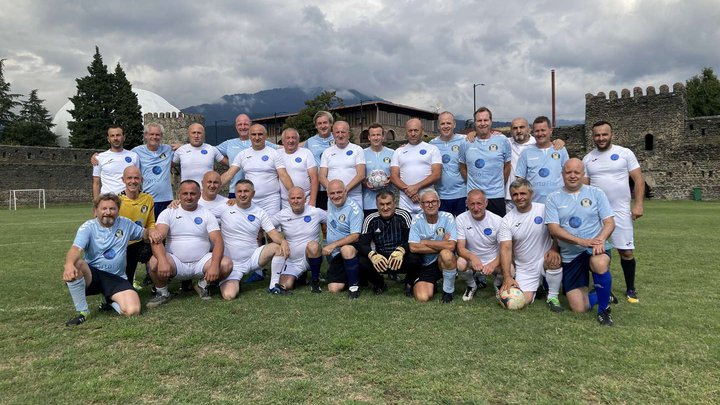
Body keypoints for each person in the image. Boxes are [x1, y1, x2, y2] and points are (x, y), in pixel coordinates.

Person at [63, 193, 157, 326]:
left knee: (133, 311)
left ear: (118, 210)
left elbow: (144, 233)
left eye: (112, 209)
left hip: (116, 278)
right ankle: (83, 312)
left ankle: (110, 300)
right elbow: (75, 249)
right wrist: (68, 265)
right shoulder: (88, 227)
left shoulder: (125, 223)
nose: (108, 212)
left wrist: (151, 232)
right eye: (104, 209)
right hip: (93, 275)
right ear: (96, 210)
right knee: (76, 263)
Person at [545, 159, 616, 326]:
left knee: (599, 262)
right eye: (568, 172)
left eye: (576, 172)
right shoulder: (553, 198)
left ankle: (604, 310)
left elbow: (610, 222)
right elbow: (554, 229)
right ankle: (603, 293)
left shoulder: (596, 193)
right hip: (570, 255)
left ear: (583, 174)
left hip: (594, 249)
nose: (572, 176)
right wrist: (581, 241)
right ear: (562, 174)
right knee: (579, 308)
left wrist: (600, 240)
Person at [583, 120, 645, 303]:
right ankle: (603, 288)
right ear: (593, 136)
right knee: (595, 250)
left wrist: (638, 204)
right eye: (597, 135)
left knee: (625, 251)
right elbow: (585, 188)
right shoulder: (588, 158)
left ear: (612, 135)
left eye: (604, 134)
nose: (601, 138)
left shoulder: (625, 153)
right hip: (595, 213)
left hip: (619, 210)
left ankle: (630, 289)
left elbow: (639, 180)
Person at [146, 180, 233, 308]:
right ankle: (162, 293)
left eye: (192, 193)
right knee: (154, 262)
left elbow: (218, 241)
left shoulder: (207, 214)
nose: (189, 197)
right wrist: (162, 260)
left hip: (201, 263)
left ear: (199, 194)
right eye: (185, 193)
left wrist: (214, 265)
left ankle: (202, 285)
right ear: (179, 195)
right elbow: (157, 238)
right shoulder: (168, 212)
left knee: (226, 264)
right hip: (175, 263)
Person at [498, 179, 564, 312]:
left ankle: (552, 297)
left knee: (554, 260)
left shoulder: (544, 209)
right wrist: (507, 278)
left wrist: (554, 248)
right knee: (520, 302)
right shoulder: (507, 220)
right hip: (525, 268)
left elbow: (557, 231)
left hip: (543, 260)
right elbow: (505, 249)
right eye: (515, 195)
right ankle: (537, 288)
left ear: (531, 193)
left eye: (523, 193)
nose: (519, 197)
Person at [218, 180, 290, 299]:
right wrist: (177, 203)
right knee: (229, 296)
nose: (242, 194)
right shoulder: (224, 207)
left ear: (253, 193)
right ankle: (230, 280)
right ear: (235, 193)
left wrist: (283, 241)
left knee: (277, 248)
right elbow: (202, 206)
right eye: (239, 191)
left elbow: (273, 233)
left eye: (246, 191)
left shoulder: (259, 212)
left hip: (252, 259)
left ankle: (274, 286)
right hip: (231, 264)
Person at [220, 124, 293, 217]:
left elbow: (283, 175)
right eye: (254, 134)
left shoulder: (274, 153)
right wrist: (211, 188)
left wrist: (293, 192)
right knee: (252, 230)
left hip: (271, 201)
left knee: (271, 229)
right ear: (249, 136)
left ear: (265, 136)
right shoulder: (242, 154)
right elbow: (229, 174)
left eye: (260, 134)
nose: (257, 137)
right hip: (250, 200)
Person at [357, 190, 420, 295]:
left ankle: (409, 283)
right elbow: (362, 244)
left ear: (394, 203)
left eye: (388, 204)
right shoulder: (370, 219)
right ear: (377, 205)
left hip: (400, 258)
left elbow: (412, 240)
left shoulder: (404, 215)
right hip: (381, 260)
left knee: (416, 258)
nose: (385, 208)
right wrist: (373, 255)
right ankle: (379, 283)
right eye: (381, 204)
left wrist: (401, 250)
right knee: (361, 260)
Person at [504, 118, 566, 211]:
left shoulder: (558, 148)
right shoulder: (506, 143)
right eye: (515, 128)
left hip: (558, 203)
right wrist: (473, 133)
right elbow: (520, 179)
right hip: (527, 203)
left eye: (522, 127)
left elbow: (567, 173)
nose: (519, 130)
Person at [458, 107, 510, 217]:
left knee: (499, 231)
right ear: (475, 123)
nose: (482, 123)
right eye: (479, 120)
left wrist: (498, 183)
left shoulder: (502, 140)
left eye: (485, 120)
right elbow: (462, 167)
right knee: (474, 232)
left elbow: (507, 166)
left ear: (491, 121)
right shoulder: (466, 143)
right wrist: (474, 180)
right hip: (474, 197)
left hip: (496, 195)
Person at [273, 186, 327, 292]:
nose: (296, 201)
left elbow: (335, 221)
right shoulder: (282, 214)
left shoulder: (316, 212)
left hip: (311, 255)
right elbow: (266, 227)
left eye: (299, 198)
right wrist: (280, 240)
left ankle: (315, 281)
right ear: (288, 200)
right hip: (293, 260)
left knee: (313, 245)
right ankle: (301, 276)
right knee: (285, 286)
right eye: (293, 198)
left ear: (305, 199)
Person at [408, 189, 458, 303]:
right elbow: (413, 247)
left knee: (446, 254)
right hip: (425, 265)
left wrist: (426, 242)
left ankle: (448, 292)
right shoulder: (416, 220)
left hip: (441, 262)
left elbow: (450, 246)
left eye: (433, 202)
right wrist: (441, 244)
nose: (430, 205)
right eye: (426, 202)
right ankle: (434, 284)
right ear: (421, 205)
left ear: (439, 203)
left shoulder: (448, 217)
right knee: (422, 298)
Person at [454, 189, 503, 302]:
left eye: (479, 203)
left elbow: (505, 249)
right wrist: (473, 257)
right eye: (472, 204)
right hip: (473, 260)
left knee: (510, 269)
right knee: (460, 263)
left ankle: (497, 284)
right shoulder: (461, 219)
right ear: (467, 204)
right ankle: (472, 285)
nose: (476, 208)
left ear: (486, 203)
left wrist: (493, 264)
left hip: (493, 259)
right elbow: (460, 248)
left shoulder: (498, 220)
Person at [390, 118, 442, 215]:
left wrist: (416, 187)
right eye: (410, 130)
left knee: (428, 228)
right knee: (407, 229)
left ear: (422, 131)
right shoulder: (398, 151)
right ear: (406, 132)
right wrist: (409, 191)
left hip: (427, 199)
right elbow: (393, 176)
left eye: (416, 130)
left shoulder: (432, 149)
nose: (413, 133)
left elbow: (437, 174)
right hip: (405, 200)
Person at [216, 114, 277, 198]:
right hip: (235, 192)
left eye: (246, 124)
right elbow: (211, 152)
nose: (243, 127)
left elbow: (286, 148)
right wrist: (228, 163)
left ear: (250, 125)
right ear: (236, 126)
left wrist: (302, 145)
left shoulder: (261, 142)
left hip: (256, 193)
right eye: (240, 124)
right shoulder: (228, 144)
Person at [117, 166, 155, 291]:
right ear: (123, 180)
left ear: (141, 180)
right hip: (121, 244)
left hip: (140, 242)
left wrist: (153, 234)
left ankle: (159, 286)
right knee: (123, 282)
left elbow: (151, 223)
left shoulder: (148, 199)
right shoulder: (116, 200)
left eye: (136, 178)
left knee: (159, 247)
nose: (133, 181)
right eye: (129, 178)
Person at [323, 180, 363, 299]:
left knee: (346, 249)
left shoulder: (354, 209)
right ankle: (354, 274)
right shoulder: (330, 202)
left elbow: (355, 236)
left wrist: (333, 245)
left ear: (346, 191)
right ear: (328, 194)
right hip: (335, 254)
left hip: (351, 249)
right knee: (334, 289)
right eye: (332, 193)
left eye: (339, 192)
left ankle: (354, 287)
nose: (336, 196)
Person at [131, 123, 175, 218]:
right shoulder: (136, 151)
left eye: (157, 134)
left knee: (166, 230)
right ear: (145, 135)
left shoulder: (167, 149)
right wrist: (96, 156)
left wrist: (181, 145)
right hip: (147, 199)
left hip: (166, 200)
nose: (154, 137)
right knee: (148, 230)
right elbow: (121, 157)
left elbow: (187, 150)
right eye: (151, 134)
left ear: (161, 136)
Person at [319, 120, 366, 210]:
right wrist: (334, 191)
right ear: (333, 135)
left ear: (348, 134)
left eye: (343, 132)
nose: (340, 135)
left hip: (354, 197)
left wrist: (345, 190)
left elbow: (361, 175)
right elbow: (321, 176)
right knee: (334, 223)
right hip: (334, 198)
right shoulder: (327, 152)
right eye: (337, 132)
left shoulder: (357, 150)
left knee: (355, 223)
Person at [429, 111, 468, 217]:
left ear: (454, 124)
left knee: (462, 229)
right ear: (438, 126)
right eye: (442, 123)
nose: (446, 126)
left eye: (448, 123)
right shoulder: (432, 144)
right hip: (441, 196)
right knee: (446, 231)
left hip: (462, 194)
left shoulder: (465, 140)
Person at [92, 126, 139, 198]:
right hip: (108, 200)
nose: (115, 138)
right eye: (112, 136)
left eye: (118, 135)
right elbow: (96, 183)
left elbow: (137, 179)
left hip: (128, 200)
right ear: (108, 139)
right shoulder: (99, 158)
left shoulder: (134, 156)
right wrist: (96, 205)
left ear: (124, 137)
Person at [279, 127, 318, 209]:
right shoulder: (277, 154)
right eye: (288, 138)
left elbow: (314, 178)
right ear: (282, 141)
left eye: (294, 138)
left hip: (305, 200)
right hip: (284, 202)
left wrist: (312, 201)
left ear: (298, 140)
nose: (291, 140)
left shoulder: (306, 153)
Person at [303, 110, 335, 210]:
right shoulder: (310, 142)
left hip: (336, 186)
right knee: (322, 220)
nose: (322, 126)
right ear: (316, 126)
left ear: (331, 124)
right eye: (319, 123)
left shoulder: (338, 138)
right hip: (318, 188)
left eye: (325, 122)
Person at [362, 123, 394, 218]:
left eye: (378, 135)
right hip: (368, 203)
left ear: (383, 136)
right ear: (369, 137)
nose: (376, 138)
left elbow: (398, 174)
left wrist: (391, 179)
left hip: (388, 203)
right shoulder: (361, 154)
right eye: (373, 135)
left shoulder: (393, 153)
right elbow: (358, 175)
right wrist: (364, 183)